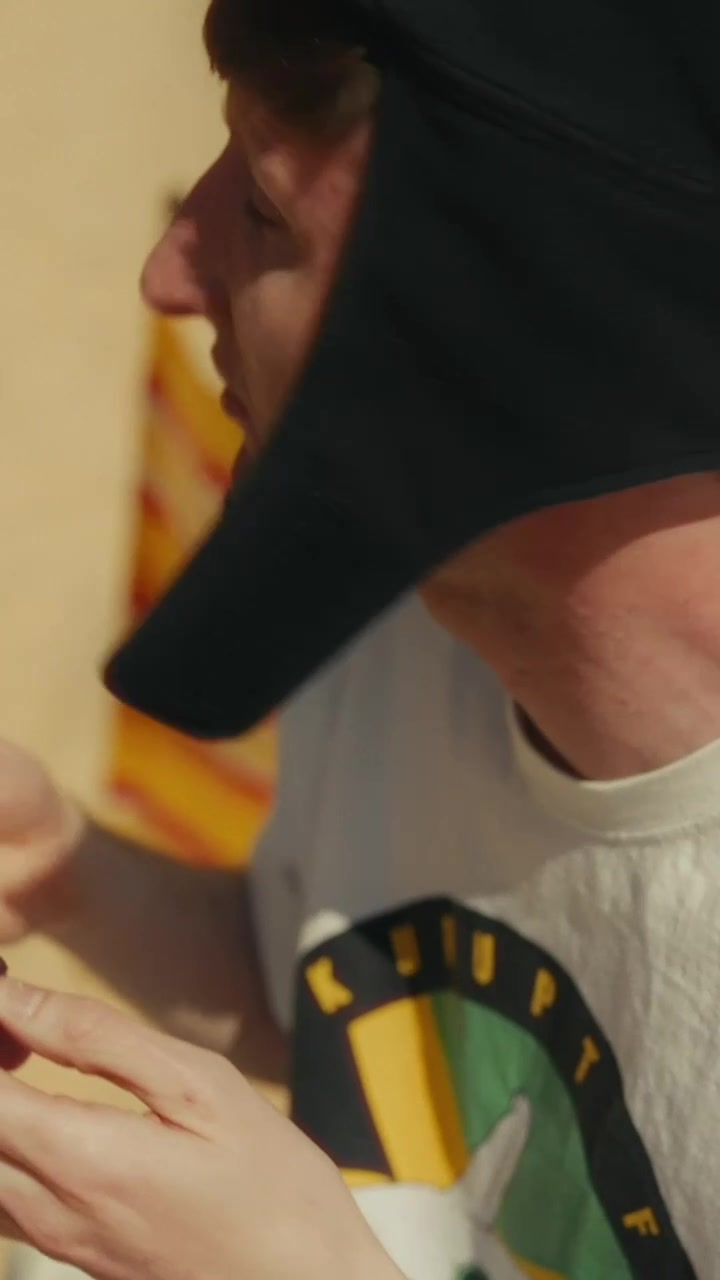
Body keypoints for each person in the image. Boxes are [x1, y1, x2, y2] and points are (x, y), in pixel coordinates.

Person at [1, 0, 720, 1278]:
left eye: (263, 209)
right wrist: (62, 868)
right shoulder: (413, 632)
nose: (169, 270)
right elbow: (346, 1002)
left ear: (530, 339)